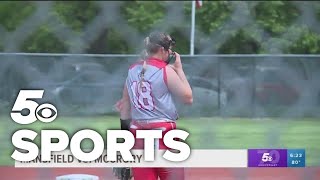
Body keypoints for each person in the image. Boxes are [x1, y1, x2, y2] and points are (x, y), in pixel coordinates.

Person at [114, 31, 193, 180]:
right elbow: (187, 98)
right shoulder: (165, 70)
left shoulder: (132, 70)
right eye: (169, 48)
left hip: (138, 136)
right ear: (162, 50)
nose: (171, 52)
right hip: (164, 135)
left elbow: (125, 108)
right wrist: (179, 69)